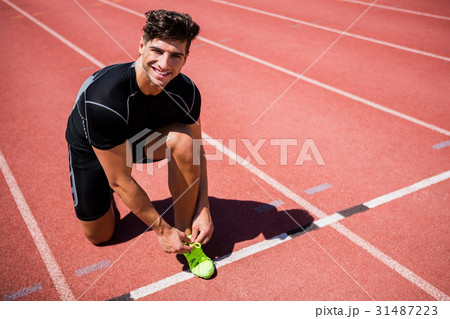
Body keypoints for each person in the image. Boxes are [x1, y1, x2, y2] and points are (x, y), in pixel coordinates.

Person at [65, 9, 214, 279]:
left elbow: (197, 150)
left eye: (176, 55)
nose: (164, 64)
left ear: (186, 58)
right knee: (100, 236)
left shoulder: (187, 92)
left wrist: (203, 208)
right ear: (141, 45)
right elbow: (120, 180)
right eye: (157, 51)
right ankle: (113, 205)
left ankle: (187, 239)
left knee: (185, 142)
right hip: (95, 146)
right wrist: (161, 231)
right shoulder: (105, 100)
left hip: (139, 139)